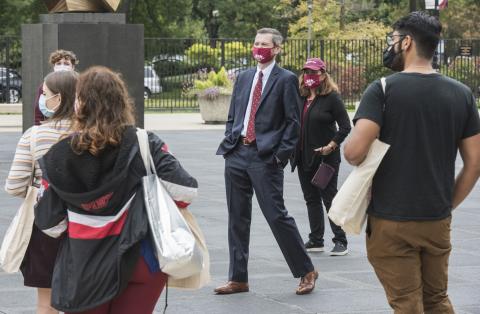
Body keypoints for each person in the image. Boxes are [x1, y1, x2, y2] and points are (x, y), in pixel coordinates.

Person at [344, 12, 480, 313]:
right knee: (437, 299)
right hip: (437, 219)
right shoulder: (462, 95)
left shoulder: (382, 90)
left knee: (407, 304)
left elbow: (353, 153)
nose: (390, 46)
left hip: (392, 219)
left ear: (406, 42)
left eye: (393, 40)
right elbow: (474, 163)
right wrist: (447, 204)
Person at [33, 66, 199, 313]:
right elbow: (185, 191)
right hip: (141, 257)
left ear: (80, 105)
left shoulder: (57, 156)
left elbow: (50, 224)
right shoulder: (145, 142)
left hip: (84, 264)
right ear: (122, 102)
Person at [215, 28, 318, 296]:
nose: (258, 48)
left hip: (265, 157)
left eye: (264, 44)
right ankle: (238, 278)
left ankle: (306, 270)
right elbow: (234, 112)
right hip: (237, 153)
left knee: (276, 215)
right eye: (256, 43)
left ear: (277, 49)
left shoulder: (285, 80)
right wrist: (230, 139)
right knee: (237, 217)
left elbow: (293, 124)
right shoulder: (245, 76)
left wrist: (278, 157)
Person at [5, 70, 78, 314]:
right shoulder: (94, 133)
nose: (41, 99)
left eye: (44, 94)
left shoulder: (34, 136)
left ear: (57, 98)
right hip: (90, 223)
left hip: (45, 224)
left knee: (46, 303)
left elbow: (14, 185)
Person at [293, 58, 351, 256]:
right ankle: (316, 239)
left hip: (326, 158)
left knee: (329, 198)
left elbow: (345, 126)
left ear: (323, 75)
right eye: (307, 72)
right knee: (311, 199)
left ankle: (340, 240)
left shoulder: (331, 98)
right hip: (303, 158)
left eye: (315, 72)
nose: (310, 76)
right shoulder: (300, 97)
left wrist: (331, 146)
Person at [34, 49, 78, 125]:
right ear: (54, 67)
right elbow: (38, 114)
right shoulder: (45, 86)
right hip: (50, 126)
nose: (62, 66)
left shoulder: (81, 84)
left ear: (73, 67)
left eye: (66, 64)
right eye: (58, 63)